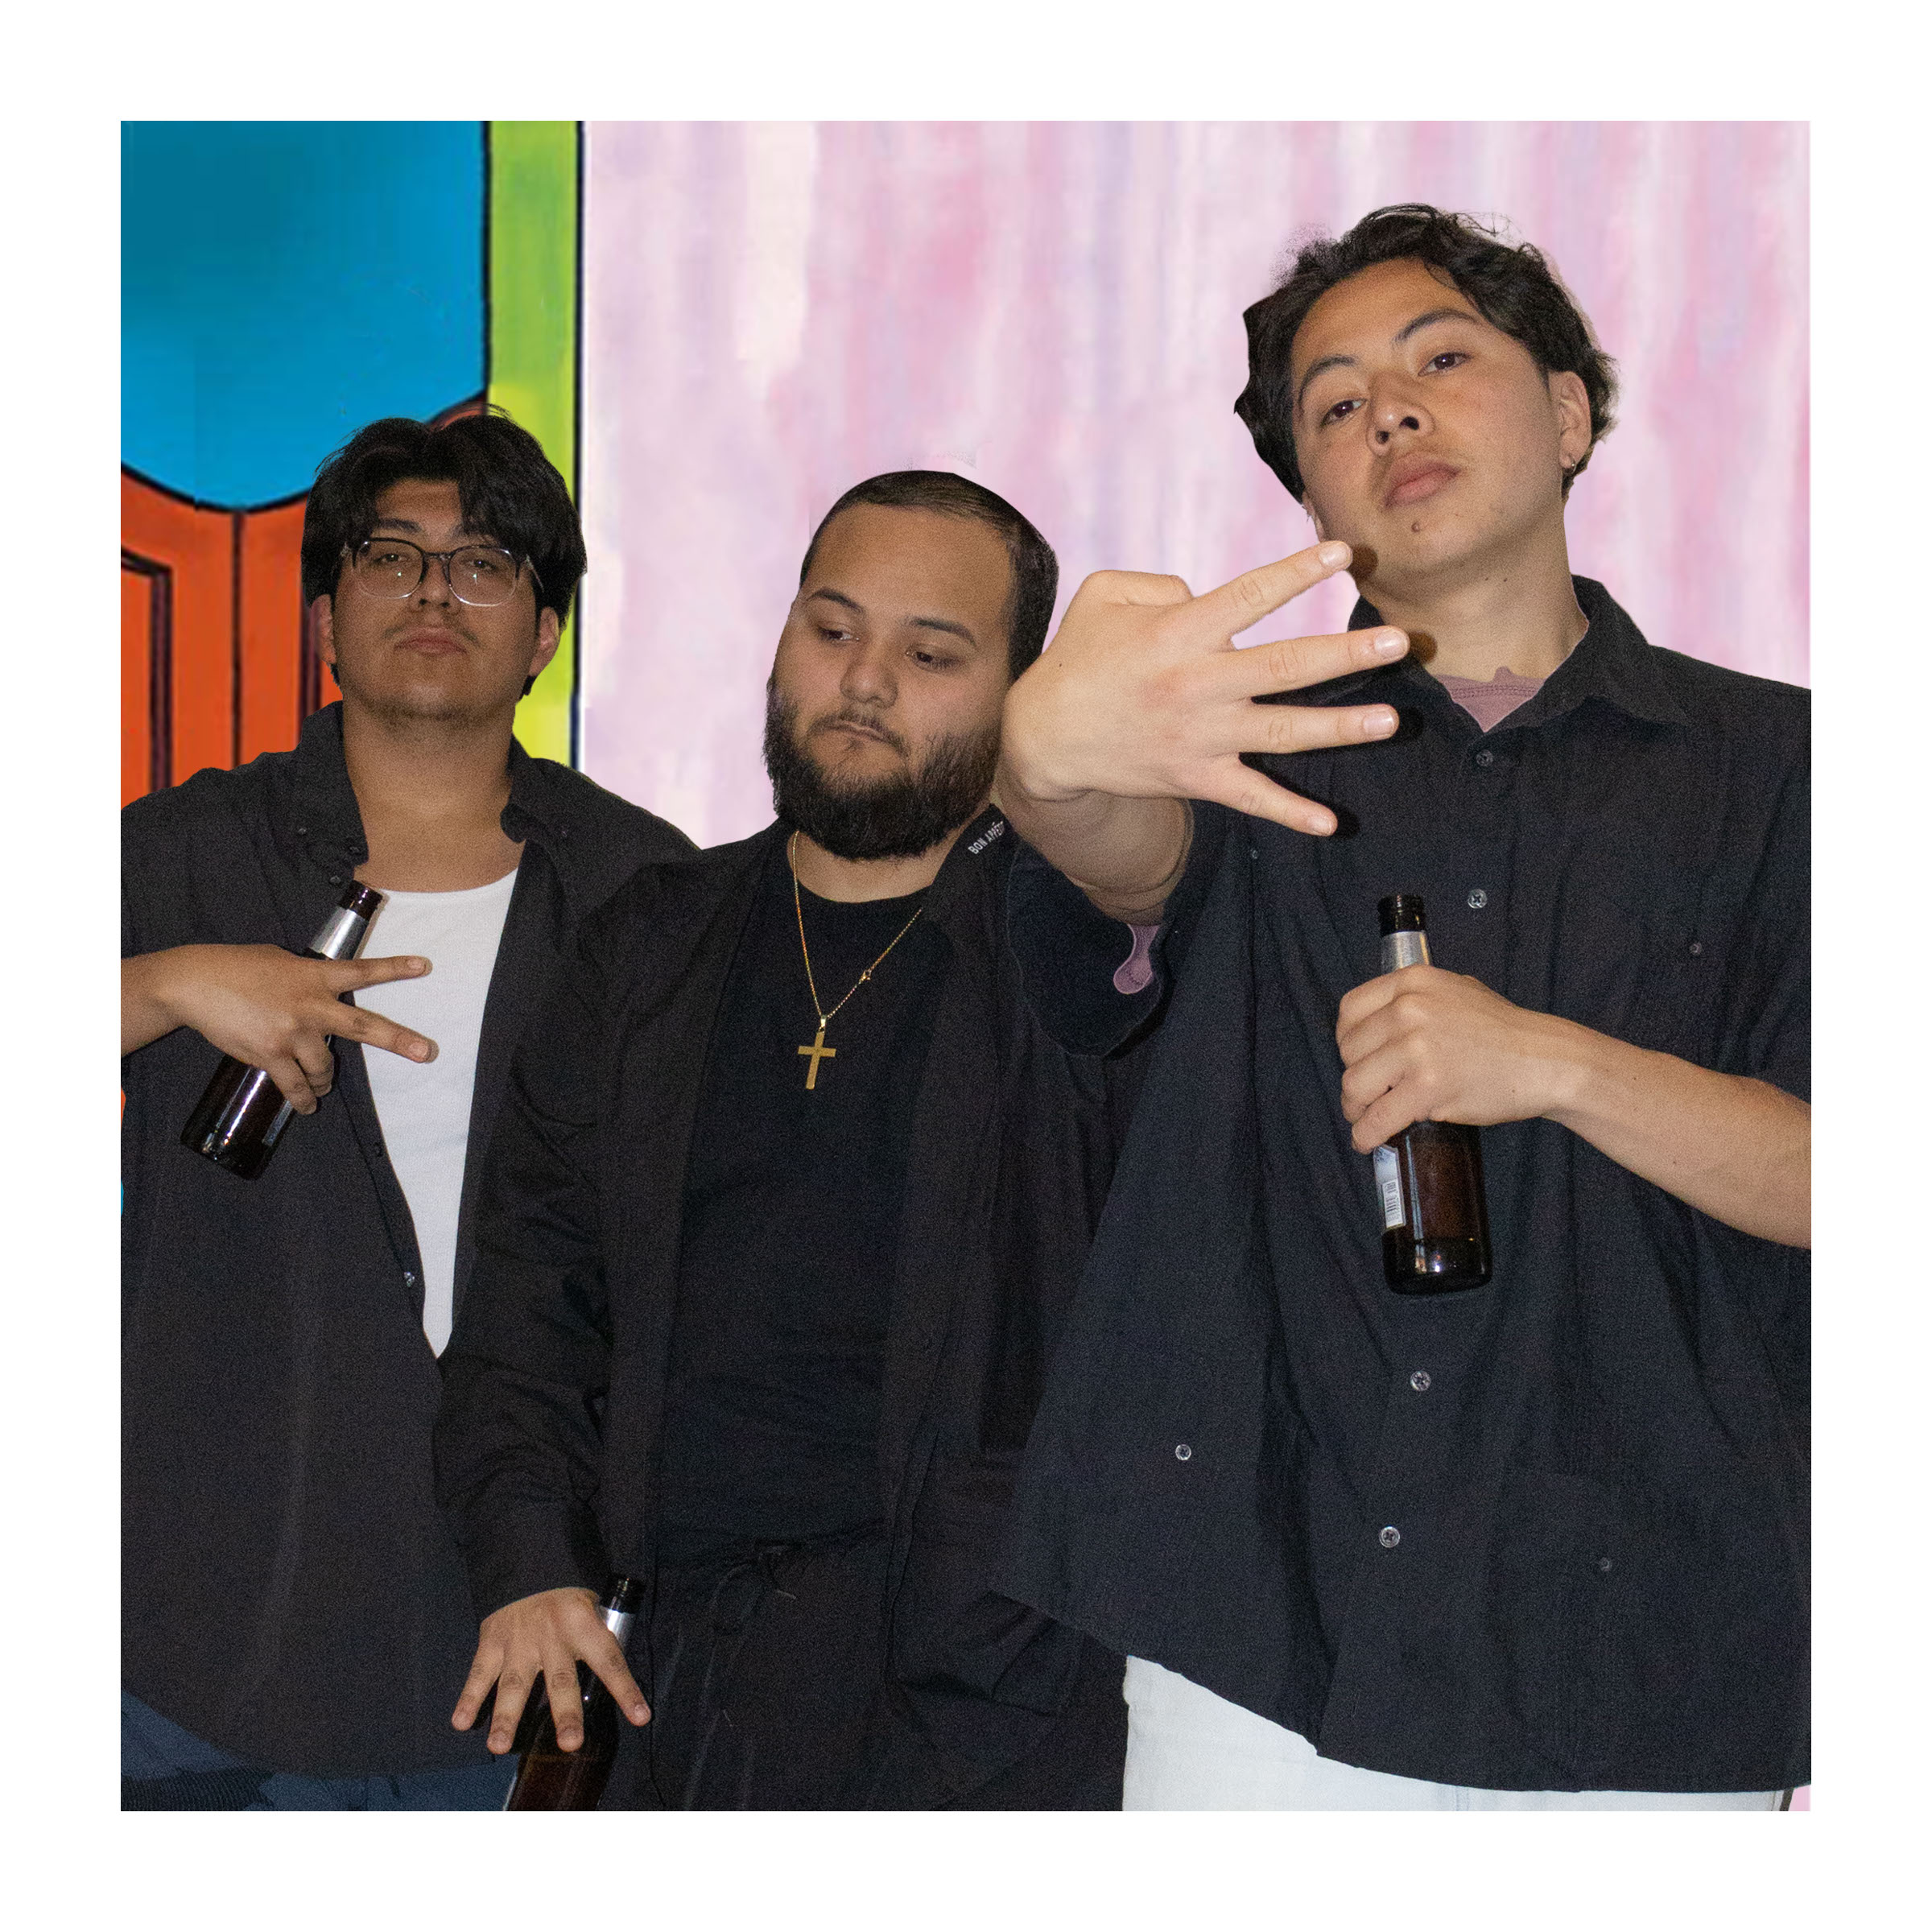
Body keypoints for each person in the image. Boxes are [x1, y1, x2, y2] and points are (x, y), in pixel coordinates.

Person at [991, 205, 1809, 1808]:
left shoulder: (1786, 771)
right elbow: (1115, 858)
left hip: (1656, 1626)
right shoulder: (1240, 741)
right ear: (1310, 493)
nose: (1392, 415)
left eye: (1441, 361)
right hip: (1264, 1616)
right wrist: (1044, 759)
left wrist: (1555, 1066)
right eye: (1337, 402)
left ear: (1567, 414)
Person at [435, 471, 1133, 1809]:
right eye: (832, 628)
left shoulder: (1084, 971)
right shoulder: (648, 944)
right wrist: (529, 1560)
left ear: (1020, 694)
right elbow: (528, 1302)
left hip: (977, 1698)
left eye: (932, 653)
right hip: (650, 1680)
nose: (864, 680)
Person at [120, 409, 692, 1808]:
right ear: (327, 614)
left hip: (520, 1599)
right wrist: (163, 983)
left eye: (484, 563)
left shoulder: (644, 888)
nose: (435, 592)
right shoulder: (180, 853)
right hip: (201, 1599)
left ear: (544, 632)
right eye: (390, 557)